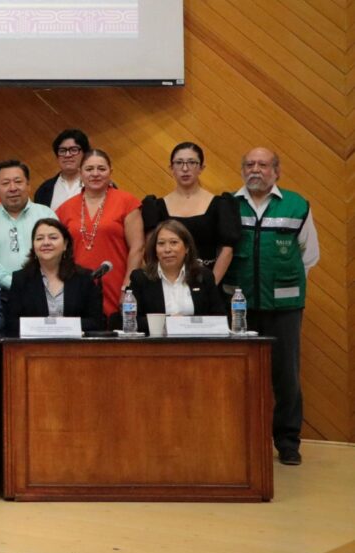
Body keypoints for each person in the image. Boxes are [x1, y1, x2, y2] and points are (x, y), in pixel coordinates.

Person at [223, 147, 319, 466]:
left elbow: (308, 255)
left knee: (286, 376)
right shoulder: (228, 204)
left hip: (284, 308)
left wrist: (282, 285)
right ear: (242, 170)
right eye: (249, 164)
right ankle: (240, 439)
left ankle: (288, 442)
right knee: (237, 376)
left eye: (263, 165)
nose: (256, 170)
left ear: (276, 171)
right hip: (238, 307)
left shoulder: (296, 204)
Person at [55, 149, 144, 318]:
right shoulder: (65, 208)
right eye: (89, 169)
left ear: (111, 172)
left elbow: (137, 247)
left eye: (101, 169)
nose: (95, 174)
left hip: (117, 281)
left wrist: (127, 287)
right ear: (80, 173)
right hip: (77, 284)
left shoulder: (127, 202)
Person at [140, 142, 240, 284]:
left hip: (208, 282)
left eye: (192, 162)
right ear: (171, 168)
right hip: (167, 284)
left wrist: (210, 285)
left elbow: (227, 250)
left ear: (201, 168)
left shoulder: (221, 204)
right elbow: (150, 251)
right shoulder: (155, 207)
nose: (185, 168)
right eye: (179, 162)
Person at [5, 218, 104, 336]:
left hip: (75, 345)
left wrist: (61, 326)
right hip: (34, 345)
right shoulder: (21, 279)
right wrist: (44, 327)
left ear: (65, 244)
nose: (46, 243)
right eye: (39, 238)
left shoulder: (84, 278)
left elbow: (96, 321)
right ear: (33, 246)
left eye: (53, 238)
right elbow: (11, 323)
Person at [127, 220, 224, 334]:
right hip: (156, 342)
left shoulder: (203, 276)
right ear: (155, 250)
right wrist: (169, 322)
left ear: (187, 248)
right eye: (161, 243)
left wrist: (186, 323)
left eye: (174, 242)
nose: (167, 249)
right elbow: (131, 320)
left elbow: (219, 318)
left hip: (196, 342)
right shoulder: (141, 278)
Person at [0, 160, 57, 290]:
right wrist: (12, 282)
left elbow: (57, 251)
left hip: (44, 289)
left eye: (18, 181)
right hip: (1, 294)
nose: (12, 188)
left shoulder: (46, 214)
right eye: (5, 183)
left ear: (28, 185)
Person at [33, 129, 90, 210]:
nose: (67, 155)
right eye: (62, 151)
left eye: (74, 150)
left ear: (85, 153)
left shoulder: (97, 183)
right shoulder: (44, 190)